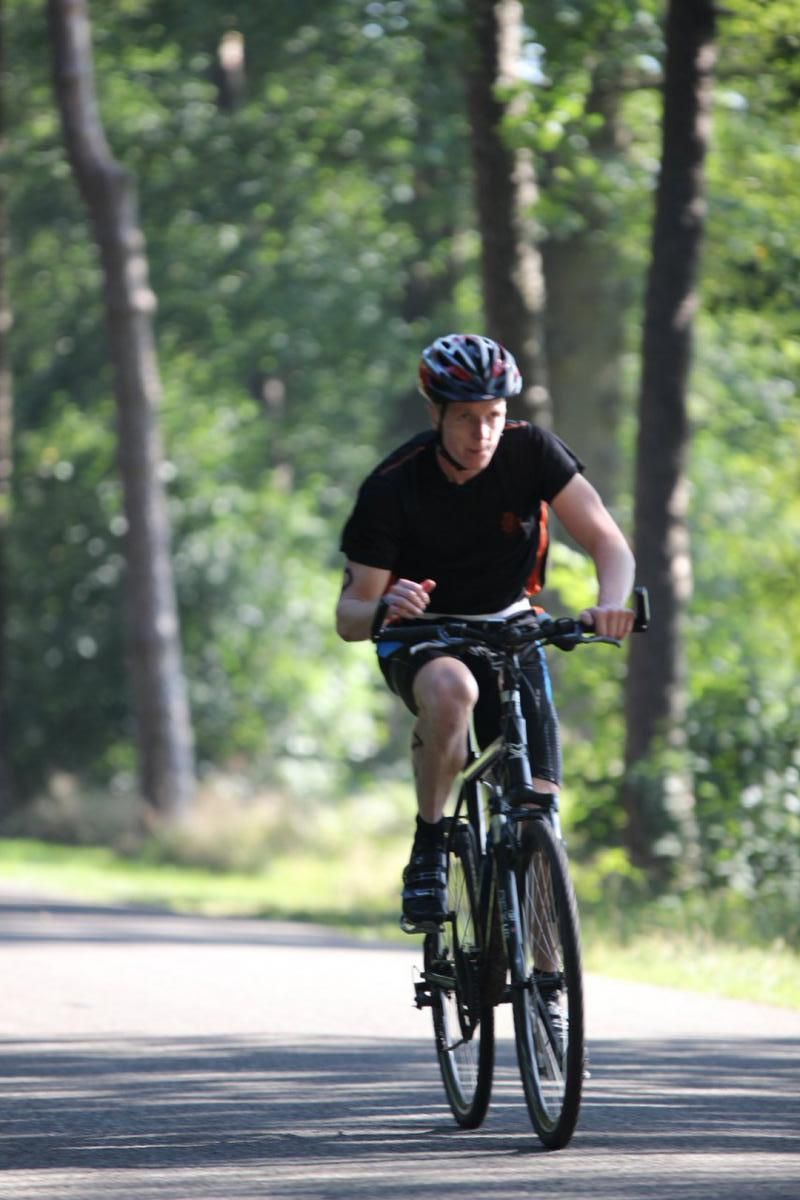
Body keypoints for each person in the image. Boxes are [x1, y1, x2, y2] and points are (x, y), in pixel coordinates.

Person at [336, 333, 635, 933]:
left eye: (494, 417)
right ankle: (430, 845)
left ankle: (545, 992)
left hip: (509, 627)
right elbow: (348, 617)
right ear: (435, 414)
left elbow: (607, 541)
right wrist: (384, 606)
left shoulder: (534, 453)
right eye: (467, 419)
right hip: (422, 632)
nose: (482, 435)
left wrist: (610, 604)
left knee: (539, 812)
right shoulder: (393, 486)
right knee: (453, 692)